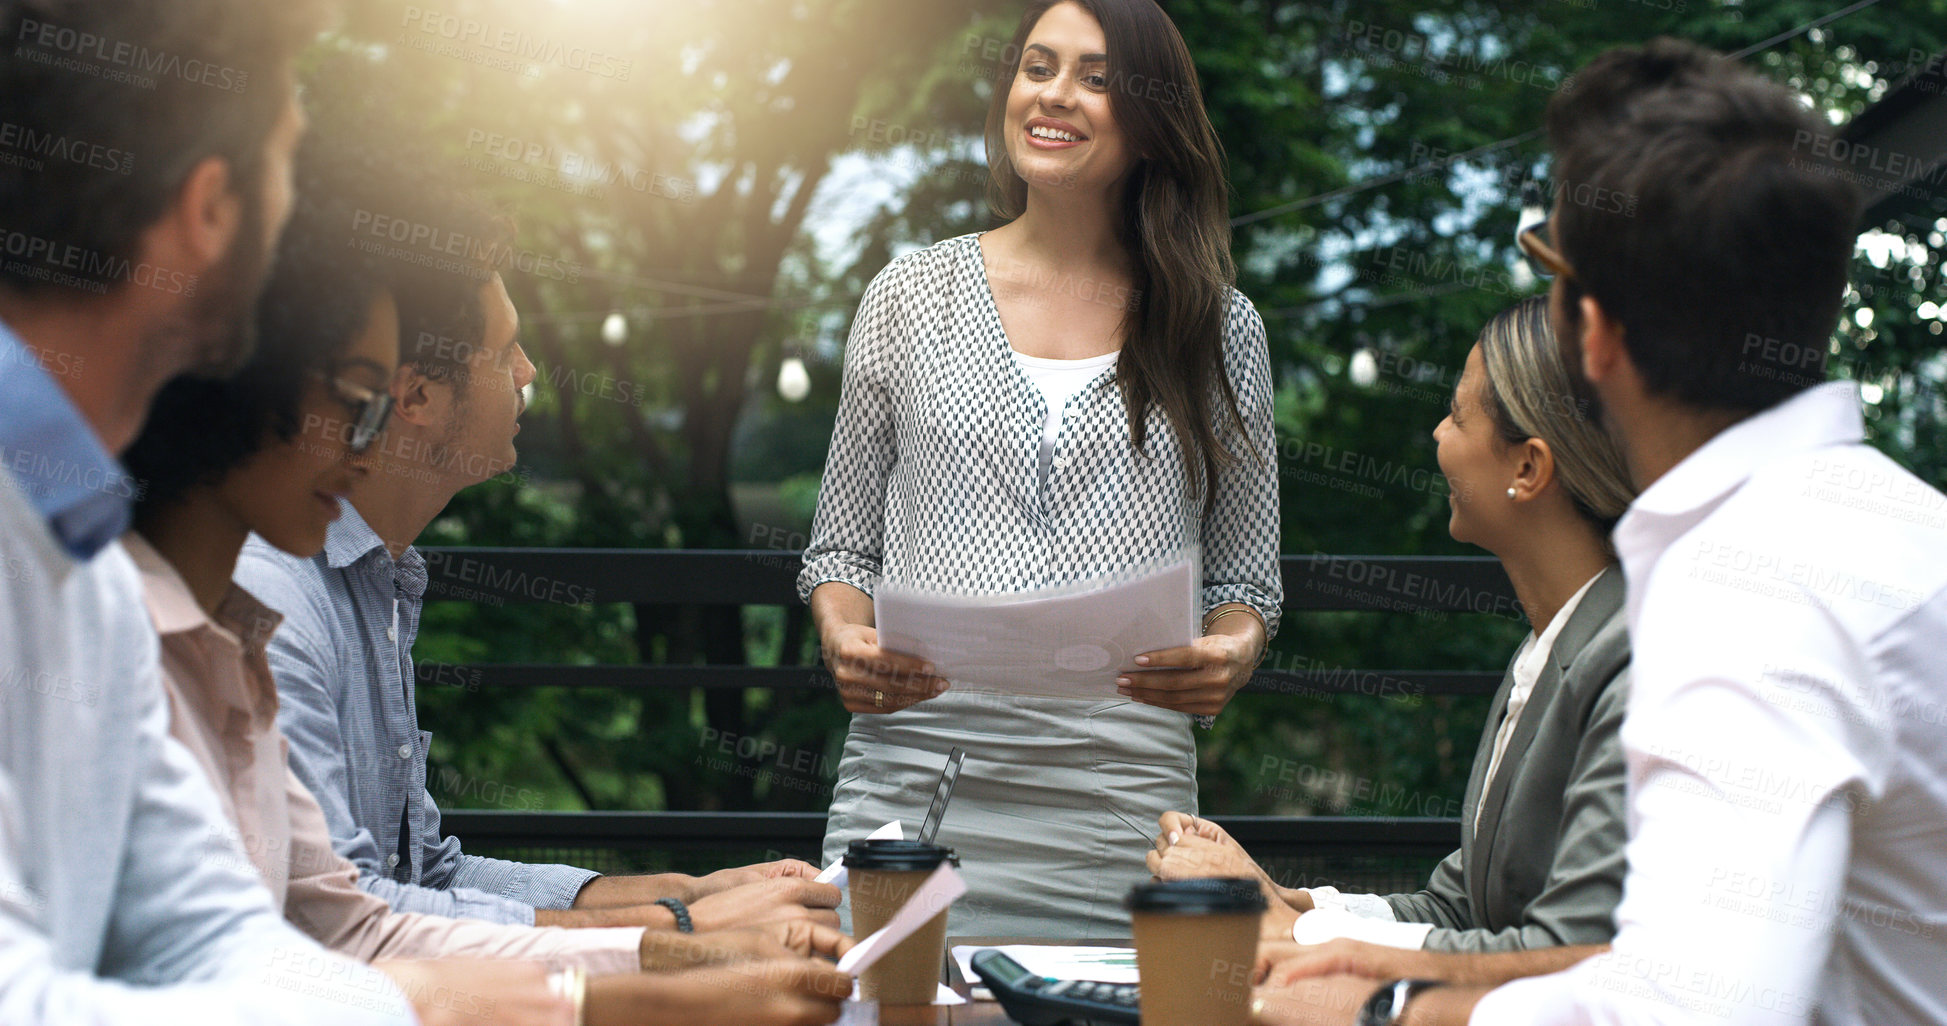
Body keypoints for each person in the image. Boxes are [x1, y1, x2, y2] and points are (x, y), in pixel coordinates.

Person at [1254, 38, 1947, 1026]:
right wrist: (1362, 967)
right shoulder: (1902, 524)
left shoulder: (1746, 584)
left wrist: (1380, 1012)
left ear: (1595, 333)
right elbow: (1635, 962)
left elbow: (1686, 1009)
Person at [117, 132, 853, 1024]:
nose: (531, 374)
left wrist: (680, 916)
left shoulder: (293, 601)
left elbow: (386, 897)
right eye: (357, 397)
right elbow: (339, 936)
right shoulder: (256, 597)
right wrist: (675, 952)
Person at [0, 0, 479, 1021]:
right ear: (213, 210)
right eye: (287, 169)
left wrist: (586, 993)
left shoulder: (79, 540)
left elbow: (207, 928)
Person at [800, 0, 1281, 936]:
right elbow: (842, 550)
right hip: (916, 776)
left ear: (1150, 119)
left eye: (1095, 79)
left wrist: (1232, 650)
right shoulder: (908, 297)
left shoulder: (1220, 328)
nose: (1054, 95)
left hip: (1119, 796)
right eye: (1037, 66)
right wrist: (843, 637)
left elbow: (1244, 578)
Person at [1152, 296, 1636, 955]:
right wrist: (1278, 899)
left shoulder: (1626, 663)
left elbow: (1561, 954)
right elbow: (1456, 908)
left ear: (1528, 467)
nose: (1437, 435)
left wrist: (1290, 929)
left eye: (1457, 415)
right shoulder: (1546, 649)